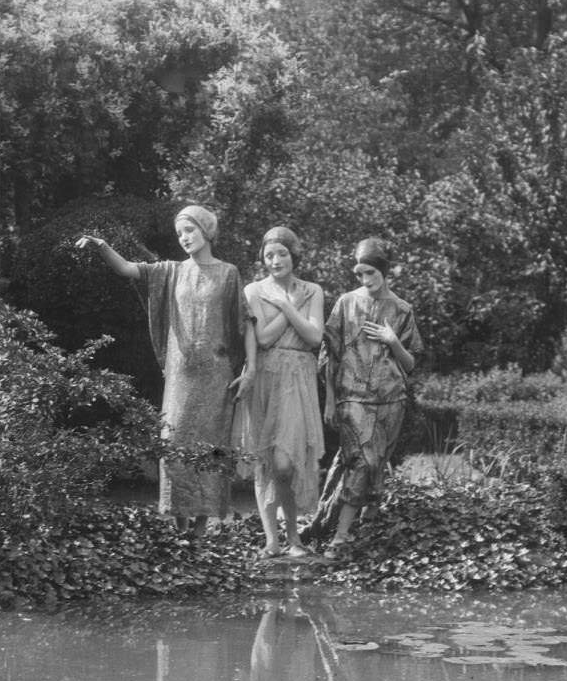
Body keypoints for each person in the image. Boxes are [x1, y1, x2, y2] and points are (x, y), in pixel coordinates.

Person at [76, 206, 253, 533]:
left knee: (211, 448)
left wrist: (251, 369)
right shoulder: (170, 271)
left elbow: (245, 322)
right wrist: (102, 247)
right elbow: (128, 270)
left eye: (190, 230)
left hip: (217, 376)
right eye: (180, 233)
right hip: (181, 377)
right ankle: (180, 525)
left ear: (206, 231)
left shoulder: (228, 273)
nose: (184, 238)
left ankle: (201, 527)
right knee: (174, 444)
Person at [318, 236, 420, 560]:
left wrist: (393, 341)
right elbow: (328, 355)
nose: (364, 280)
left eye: (370, 273)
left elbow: (411, 364)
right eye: (359, 273)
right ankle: (341, 536)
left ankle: (368, 533)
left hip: (391, 400)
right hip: (352, 399)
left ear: (384, 271)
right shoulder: (346, 304)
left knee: (376, 467)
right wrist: (330, 401)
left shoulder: (402, 309)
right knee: (364, 461)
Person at [239, 226, 325, 557]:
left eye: (282, 254)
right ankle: (272, 539)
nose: (276, 260)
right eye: (269, 255)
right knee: (265, 461)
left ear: (293, 255)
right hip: (266, 376)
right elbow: (262, 339)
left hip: (298, 377)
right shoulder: (254, 290)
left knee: (286, 463)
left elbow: (315, 337)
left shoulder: (313, 290)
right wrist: (292, 307)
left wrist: (287, 308)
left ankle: (295, 537)